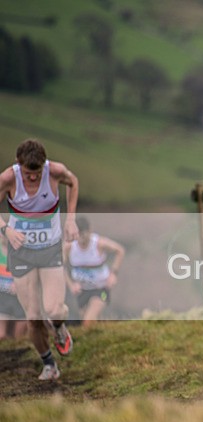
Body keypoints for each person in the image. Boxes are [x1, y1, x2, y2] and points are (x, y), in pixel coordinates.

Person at [0, 139, 79, 380]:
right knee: (33, 317)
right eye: (28, 174)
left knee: (54, 309)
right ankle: (49, 364)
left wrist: (71, 219)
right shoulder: (8, 179)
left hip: (49, 250)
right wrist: (6, 230)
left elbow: (73, 182)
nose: (33, 178)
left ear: (44, 165)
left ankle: (59, 327)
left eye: (37, 173)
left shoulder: (54, 171)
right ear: (18, 164)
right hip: (21, 253)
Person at [64, 217, 125, 326]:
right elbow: (60, 266)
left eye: (84, 235)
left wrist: (113, 274)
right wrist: (71, 284)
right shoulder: (69, 247)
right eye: (79, 235)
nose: (81, 239)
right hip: (82, 291)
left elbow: (120, 250)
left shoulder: (99, 243)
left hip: (100, 289)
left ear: (89, 231)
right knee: (88, 321)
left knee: (87, 322)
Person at [0, 236, 27, 339]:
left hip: (20, 299)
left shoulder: (23, 253)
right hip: (2, 298)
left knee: (19, 336)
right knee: (1, 335)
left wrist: (20, 284)